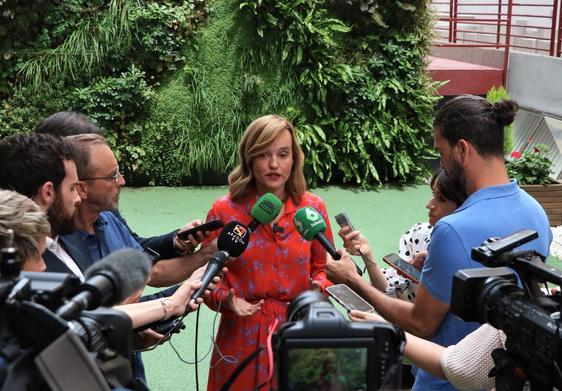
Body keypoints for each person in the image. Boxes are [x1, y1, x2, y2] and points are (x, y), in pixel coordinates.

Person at [326, 95, 552, 390]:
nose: (442, 164)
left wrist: (354, 280)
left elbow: (422, 324)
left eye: (441, 152)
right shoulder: (537, 212)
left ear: (461, 150)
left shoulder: (452, 229)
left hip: (446, 381)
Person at [202, 114, 334, 390]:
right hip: (240, 334)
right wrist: (226, 299)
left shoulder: (312, 208)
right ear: (249, 158)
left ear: (294, 159)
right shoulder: (224, 210)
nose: (274, 164)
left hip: (299, 331)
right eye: (263, 155)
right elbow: (206, 278)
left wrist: (318, 287)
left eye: (283, 154)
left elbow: (323, 269)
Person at [36, 111, 196, 260]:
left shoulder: (105, 212)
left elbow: (133, 247)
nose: (121, 182)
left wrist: (176, 240)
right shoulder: (53, 231)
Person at [62, 133, 213, 287]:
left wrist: (206, 255)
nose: (122, 181)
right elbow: (116, 309)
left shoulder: (110, 221)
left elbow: (151, 273)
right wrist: (178, 298)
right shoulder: (60, 245)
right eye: (112, 176)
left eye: (119, 172)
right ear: (81, 188)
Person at [340, 169, 467, 302]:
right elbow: (388, 289)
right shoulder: (420, 234)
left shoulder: (469, 256)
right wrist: (368, 255)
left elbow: (423, 318)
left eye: (441, 199)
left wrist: (352, 278)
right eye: (433, 194)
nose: (429, 205)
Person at [0, 133, 85, 277]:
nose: (79, 198)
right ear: (48, 192)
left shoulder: (71, 233)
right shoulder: (23, 263)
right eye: (72, 188)